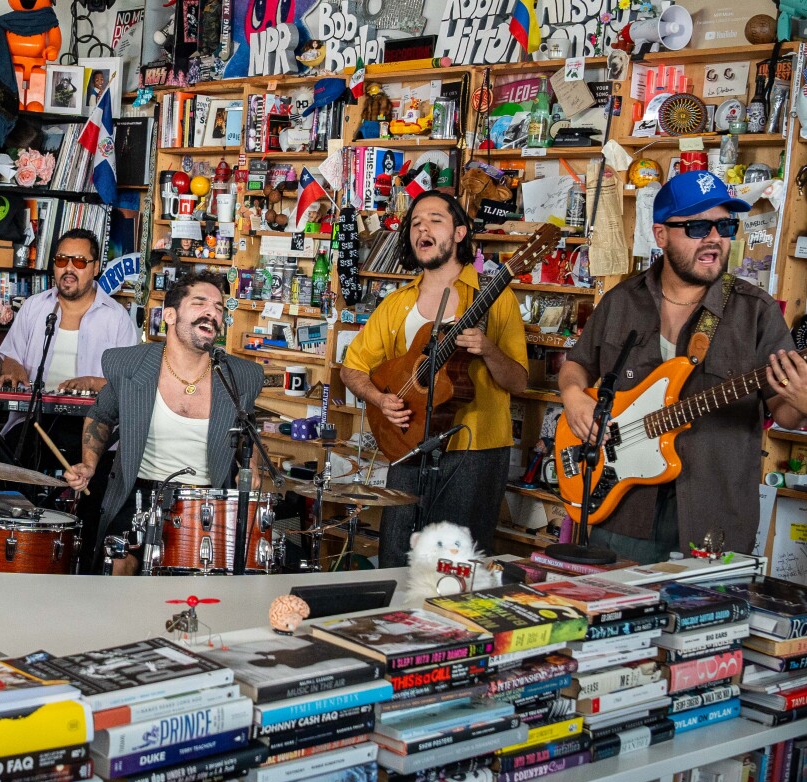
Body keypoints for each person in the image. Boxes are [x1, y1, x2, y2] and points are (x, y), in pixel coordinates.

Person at [558, 171, 807, 562]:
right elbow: (577, 365)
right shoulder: (621, 302)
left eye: (725, 225)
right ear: (660, 235)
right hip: (622, 513)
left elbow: (785, 413)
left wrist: (803, 399)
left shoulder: (754, 312)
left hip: (711, 520)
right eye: (696, 227)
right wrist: (573, 398)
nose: (714, 238)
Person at [339, 190, 529, 568]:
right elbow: (352, 367)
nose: (421, 228)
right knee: (394, 556)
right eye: (415, 223)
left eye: (434, 220)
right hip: (406, 442)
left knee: (459, 567)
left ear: (460, 233)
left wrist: (487, 349)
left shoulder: (493, 297)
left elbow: (519, 382)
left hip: (474, 451)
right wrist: (380, 401)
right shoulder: (396, 303)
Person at [64, 271, 265, 575]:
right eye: (200, 303)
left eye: (219, 308)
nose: (211, 312)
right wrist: (89, 464)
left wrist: (255, 471)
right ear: (169, 315)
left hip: (206, 502)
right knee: (117, 567)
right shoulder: (130, 364)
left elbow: (250, 437)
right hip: (138, 495)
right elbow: (101, 416)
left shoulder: (239, 376)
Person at [0, 228, 138, 480]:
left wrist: (91, 383)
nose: (69, 269)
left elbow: (131, 386)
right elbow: (10, 356)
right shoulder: (34, 307)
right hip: (33, 420)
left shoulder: (116, 318)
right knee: (2, 454)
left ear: (95, 267)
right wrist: (14, 373)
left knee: (102, 473)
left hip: (90, 426)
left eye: (79, 261)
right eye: (61, 260)